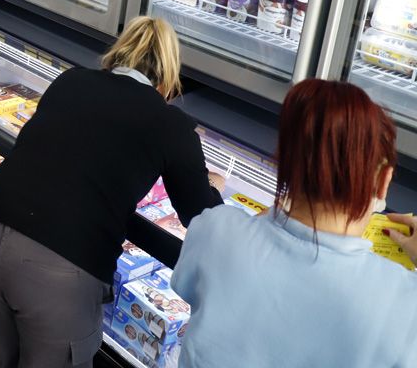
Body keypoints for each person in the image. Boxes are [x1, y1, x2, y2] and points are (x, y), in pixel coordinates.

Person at [0, 17, 223, 368]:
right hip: (57, 264)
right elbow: (201, 217)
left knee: (2, 358)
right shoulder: (171, 124)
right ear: (167, 81)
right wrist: (212, 188)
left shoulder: (71, 80)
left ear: (118, 55)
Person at [172, 80, 417, 368]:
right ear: (383, 181)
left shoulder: (215, 229)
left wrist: (282, 212)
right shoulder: (404, 303)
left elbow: (187, 285)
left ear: (285, 165)